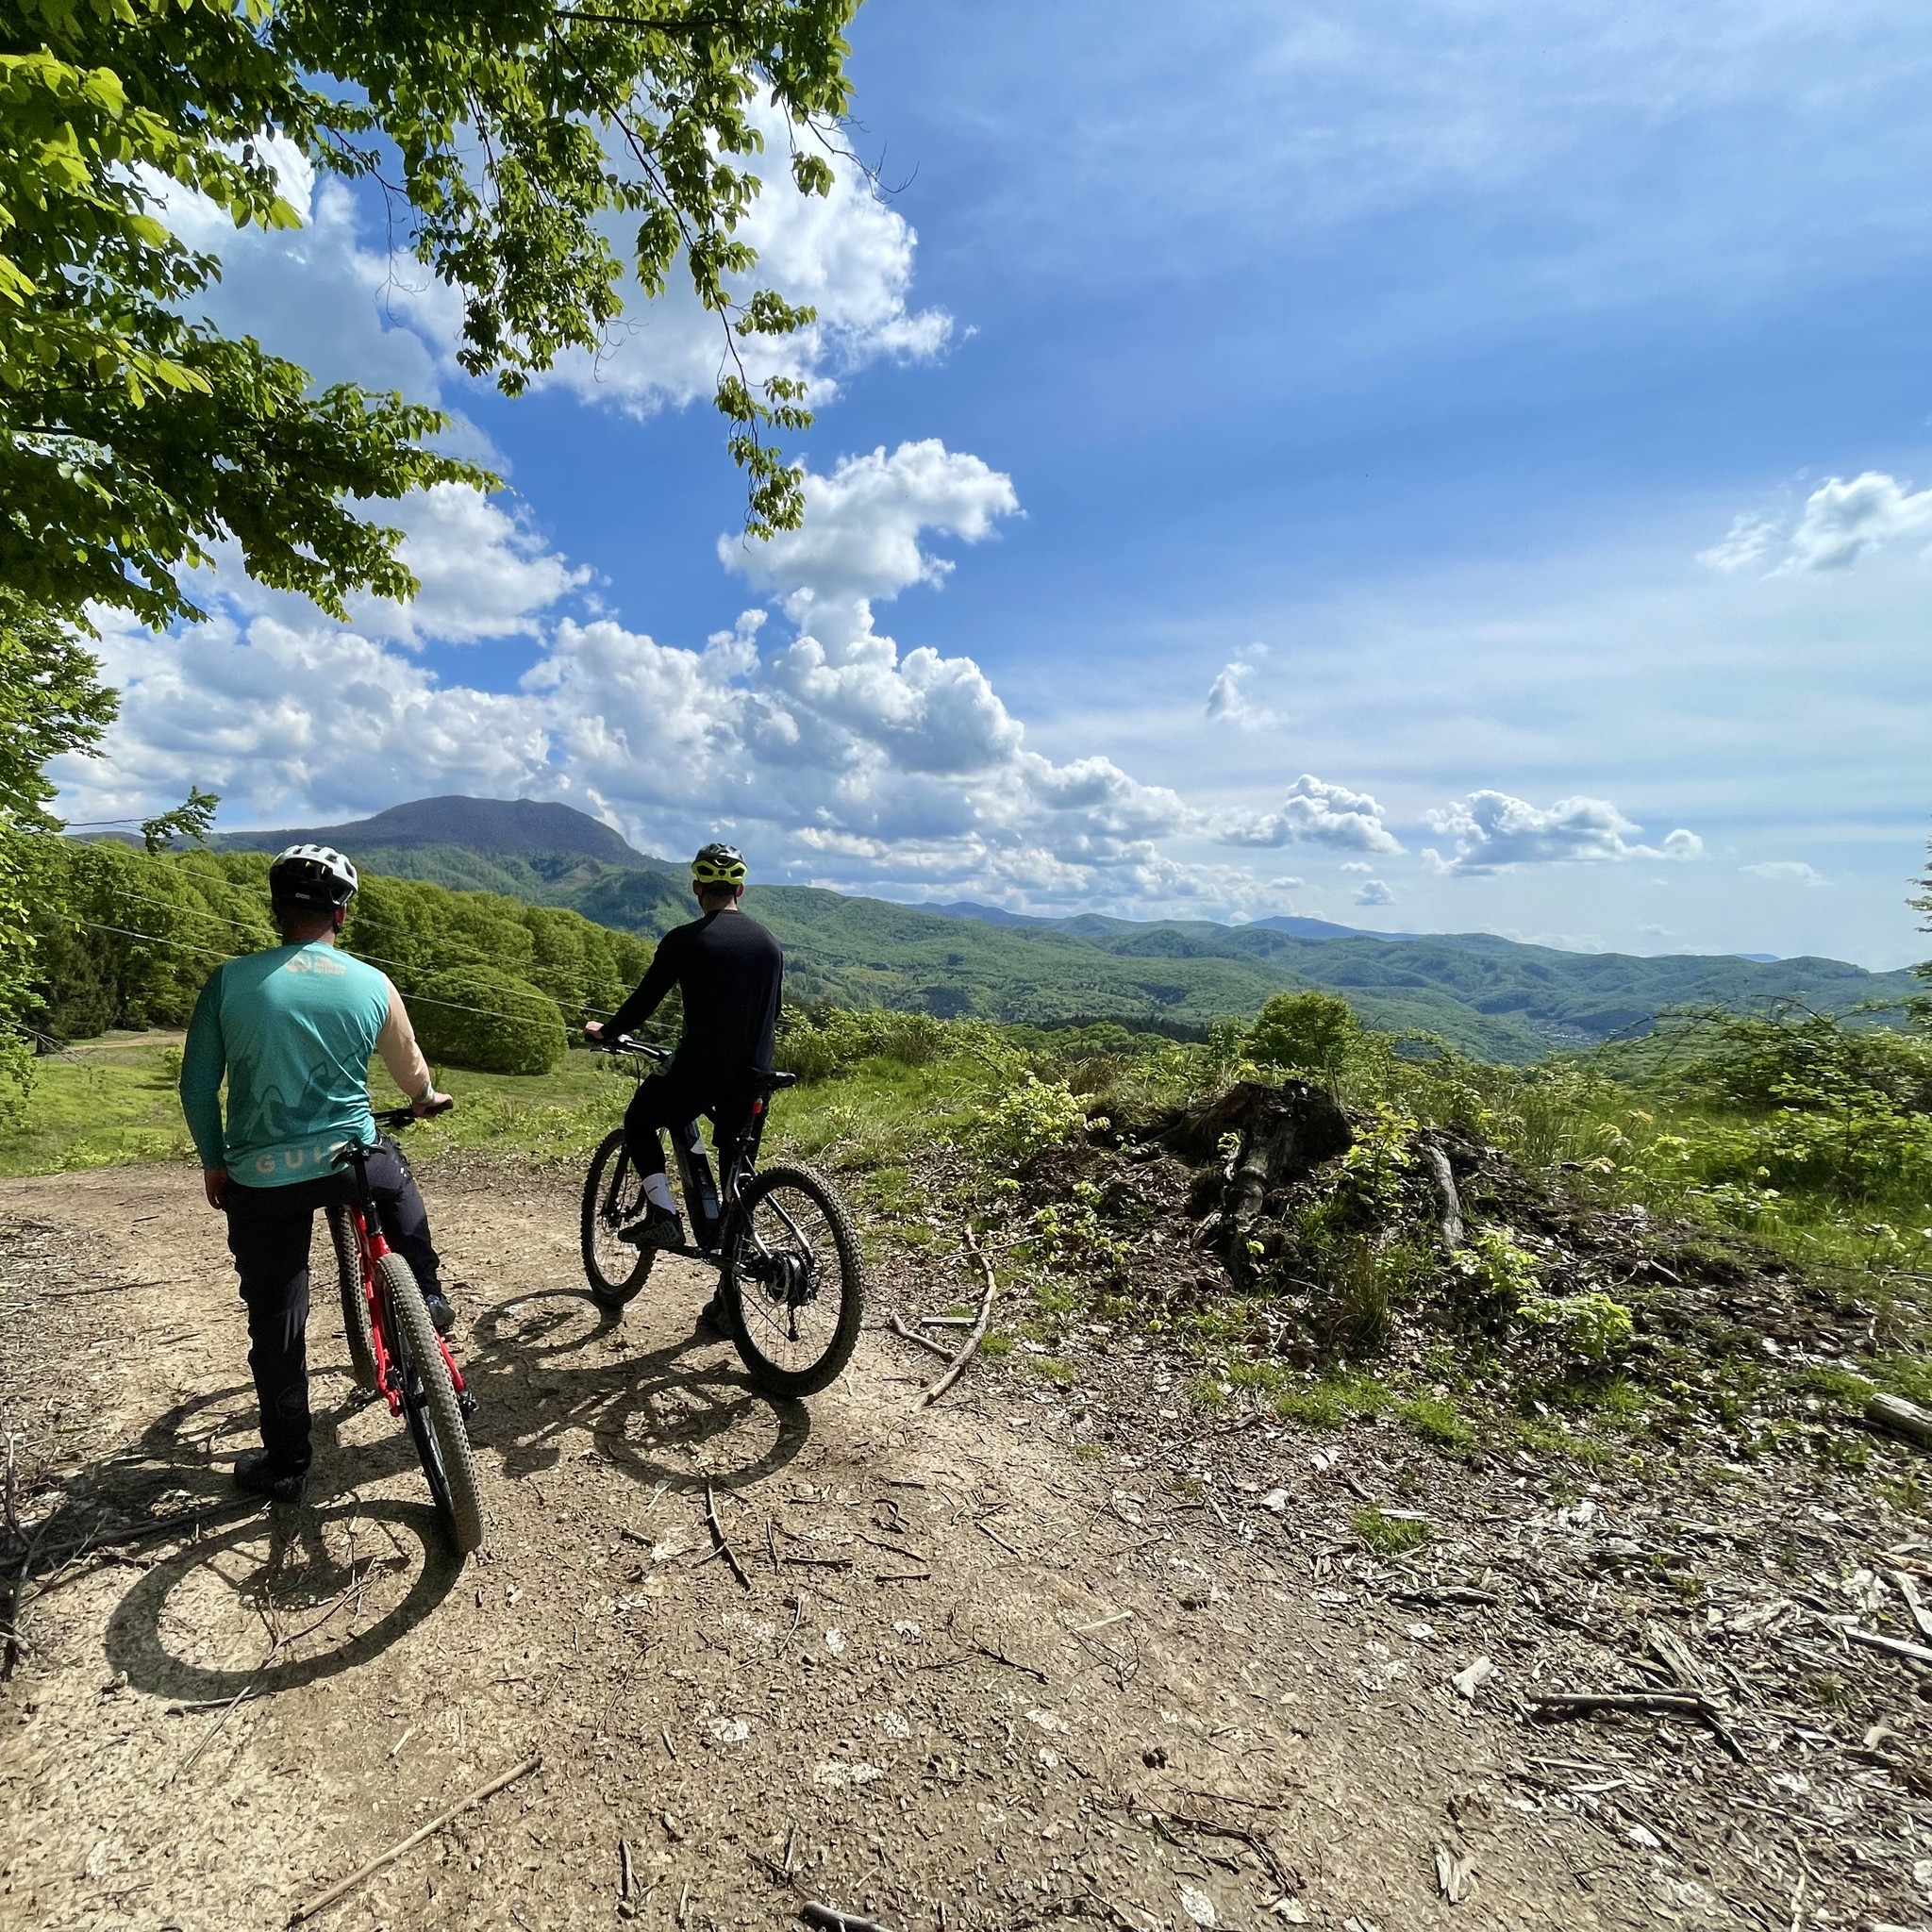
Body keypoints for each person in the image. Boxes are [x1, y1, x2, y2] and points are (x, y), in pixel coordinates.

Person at [179, 844, 454, 1504]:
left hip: (261, 1177)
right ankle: (427, 1291)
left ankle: (287, 1462)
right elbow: (410, 1065)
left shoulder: (228, 981)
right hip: (348, 1163)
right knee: (393, 1176)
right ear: (343, 912)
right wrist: (423, 1097)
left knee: (276, 1318)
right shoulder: (369, 982)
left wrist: (216, 1164)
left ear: (277, 911)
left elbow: (196, 1088)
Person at [584, 842, 783, 1324]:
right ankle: (726, 1305)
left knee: (641, 1115)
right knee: (740, 1182)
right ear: (740, 888)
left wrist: (606, 1031)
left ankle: (664, 1216)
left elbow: (644, 1001)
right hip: (756, 1076)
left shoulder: (685, 940)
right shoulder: (770, 945)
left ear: (697, 889)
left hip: (700, 1072)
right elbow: (771, 1014)